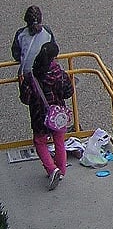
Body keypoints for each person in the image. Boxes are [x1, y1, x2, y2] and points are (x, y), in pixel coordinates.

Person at [14, 15, 72, 191]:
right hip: (58, 114)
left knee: (40, 141)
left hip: (39, 115)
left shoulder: (31, 77)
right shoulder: (60, 74)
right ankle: (61, 170)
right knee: (59, 140)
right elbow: (68, 92)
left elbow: (25, 98)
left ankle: (51, 168)